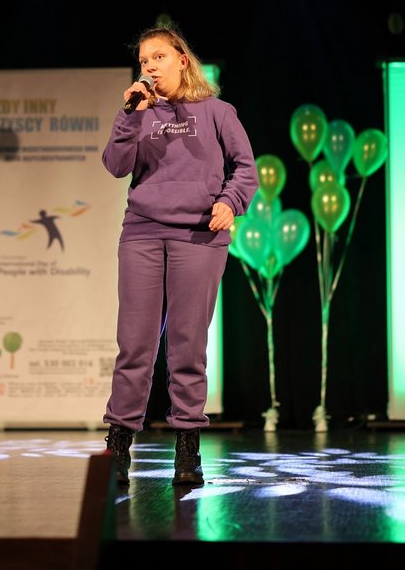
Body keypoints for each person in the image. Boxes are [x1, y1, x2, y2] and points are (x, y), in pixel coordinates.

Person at [100, 24, 258, 486]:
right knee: (135, 346)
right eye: (143, 60)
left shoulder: (217, 112)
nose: (149, 66)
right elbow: (115, 165)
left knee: (188, 347)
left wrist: (229, 202)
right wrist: (130, 116)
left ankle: (187, 448)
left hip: (198, 237)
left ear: (182, 60)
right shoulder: (138, 113)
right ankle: (118, 447)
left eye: (159, 57)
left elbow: (245, 169)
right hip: (143, 234)